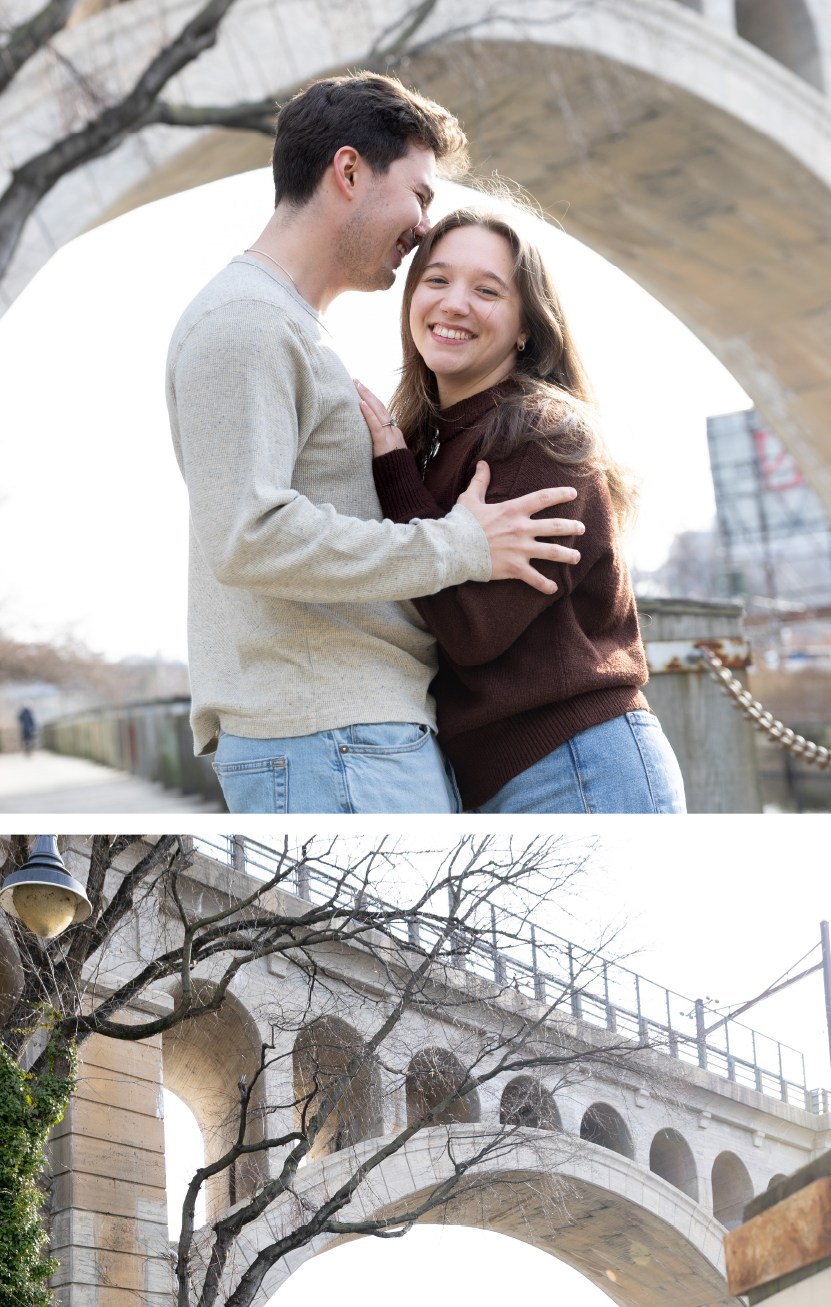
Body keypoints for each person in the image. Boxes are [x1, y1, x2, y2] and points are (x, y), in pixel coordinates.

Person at [165, 74, 586, 815]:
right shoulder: (245, 324)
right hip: (329, 735)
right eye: (421, 195)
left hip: (350, 734)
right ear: (350, 172)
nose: (426, 225)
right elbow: (249, 538)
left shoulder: (286, 327)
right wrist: (460, 546)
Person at [357, 207, 687, 814]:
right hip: (516, 775)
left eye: (486, 290)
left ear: (525, 329)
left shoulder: (539, 435)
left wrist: (396, 475)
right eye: (436, 280)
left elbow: (472, 628)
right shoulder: (443, 443)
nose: (454, 303)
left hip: (578, 767)